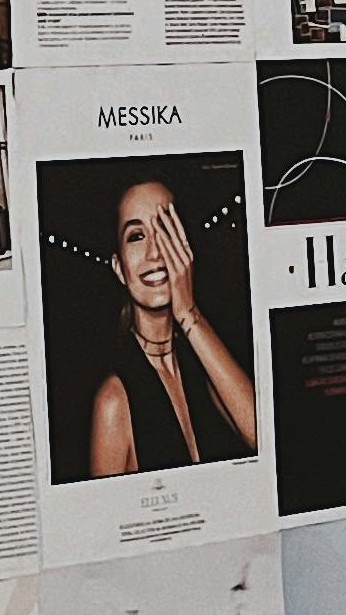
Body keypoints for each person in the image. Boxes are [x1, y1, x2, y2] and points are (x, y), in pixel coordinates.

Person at [87, 174, 257, 473]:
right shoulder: (114, 400)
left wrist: (188, 313)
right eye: (136, 236)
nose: (155, 252)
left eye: (165, 230)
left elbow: (263, 437)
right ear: (119, 269)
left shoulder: (201, 362)